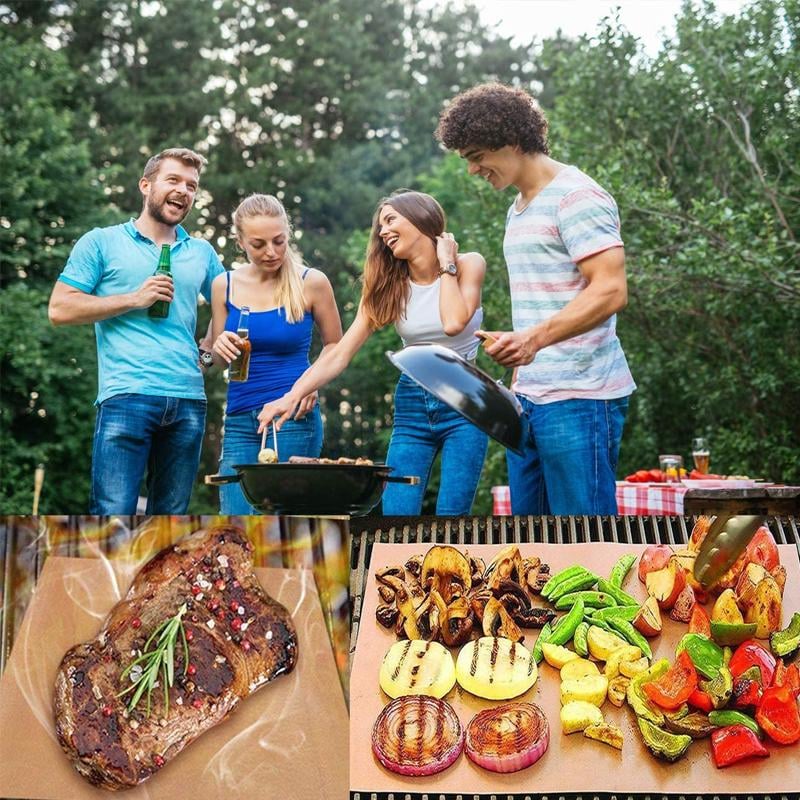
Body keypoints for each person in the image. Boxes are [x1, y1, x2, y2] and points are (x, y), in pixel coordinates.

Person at [435, 82, 636, 516]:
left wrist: (533, 340)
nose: (472, 169)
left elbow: (610, 289)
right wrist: (519, 366)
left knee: (584, 540)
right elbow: (543, 302)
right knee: (533, 543)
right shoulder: (520, 206)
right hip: (529, 399)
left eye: (476, 156)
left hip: (581, 397)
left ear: (510, 140)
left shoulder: (577, 196)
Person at [257, 190, 488, 516]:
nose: (383, 231)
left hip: (466, 398)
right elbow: (340, 353)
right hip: (414, 401)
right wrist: (291, 396)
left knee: (452, 515)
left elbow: (453, 322)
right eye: (380, 226)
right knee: (396, 514)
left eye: (391, 220)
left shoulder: (468, 264)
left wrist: (446, 262)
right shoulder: (389, 285)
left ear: (421, 217)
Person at [48, 147, 223, 514]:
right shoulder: (102, 241)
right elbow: (60, 308)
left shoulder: (202, 252)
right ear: (146, 185)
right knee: (112, 518)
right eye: (173, 180)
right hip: (126, 395)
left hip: (188, 400)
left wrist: (208, 353)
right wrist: (133, 299)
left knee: (171, 523)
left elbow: (231, 304)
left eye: (191, 185)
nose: (183, 190)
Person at [209, 193, 343, 514]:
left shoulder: (312, 282)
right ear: (240, 242)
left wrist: (309, 385)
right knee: (235, 519)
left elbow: (335, 346)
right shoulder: (223, 285)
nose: (271, 252)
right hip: (239, 419)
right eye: (258, 244)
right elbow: (216, 361)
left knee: (284, 523)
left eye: (279, 241)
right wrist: (217, 347)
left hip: (292, 416)